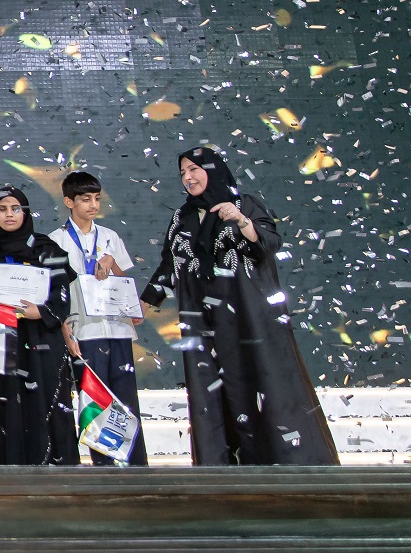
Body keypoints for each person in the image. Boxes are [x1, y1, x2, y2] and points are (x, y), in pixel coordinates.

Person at [145, 147, 338, 465]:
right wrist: (140, 305)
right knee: (214, 392)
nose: (188, 177)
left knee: (263, 384)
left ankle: (285, 462)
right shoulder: (183, 217)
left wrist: (242, 221)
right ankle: (221, 466)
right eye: (182, 173)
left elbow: (269, 243)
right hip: (204, 326)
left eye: (194, 169)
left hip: (250, 321)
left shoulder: (244, 204)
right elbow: (169, 266)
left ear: (213, 169)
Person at [47, 171, 149, 467]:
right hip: (85, 333)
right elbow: (55, 294)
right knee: (95, 402)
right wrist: (65, 332)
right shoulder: (56, 241)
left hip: (117, 329)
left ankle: (134, 465)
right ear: (69, 201)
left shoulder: (110, 237)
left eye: (96, 199)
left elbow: (123, 281)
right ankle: (104, 466)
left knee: (126, 401)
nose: (93, 205)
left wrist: (111, 262)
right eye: (85, 199)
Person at [0, 185, 78, 466]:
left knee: (44, 403)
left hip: (41, 339)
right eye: (2, 209)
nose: (9, 215)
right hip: (2, 342)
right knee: (5, 403)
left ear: (25, 211)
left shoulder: (48, 249)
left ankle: (54, 468)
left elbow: (62, 297)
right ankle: (7, 469)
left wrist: (39, 312)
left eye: (15, 208)